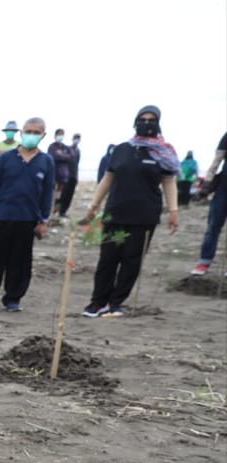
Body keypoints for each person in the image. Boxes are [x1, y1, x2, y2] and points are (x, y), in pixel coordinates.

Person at [80, 106, 179, 318]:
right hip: (115, 213)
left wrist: (173, 211)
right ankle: (98, 302)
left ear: (158, 123)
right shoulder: (122, 149)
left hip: (144, 217)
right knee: (108, 259)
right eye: (143, 119)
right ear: (135, 122)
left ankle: (116, 302)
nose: (147, 123)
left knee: (131, 261)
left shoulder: (164, 152)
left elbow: (169, 182)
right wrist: (93, 207)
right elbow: (108, 179)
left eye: (152, 120)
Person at [0, 117, 55, 313]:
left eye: (37, 132)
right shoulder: (6, 158)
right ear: (22, 132)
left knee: (20, 262)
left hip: (28, 219)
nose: (32, 135)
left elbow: (47, 193)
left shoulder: (46, 162)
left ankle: (13, 298)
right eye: (29, 131)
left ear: (43, 135)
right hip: (1, 217)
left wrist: (44, 220)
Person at [190, 132, 227, 276]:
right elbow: (216, 161)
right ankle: (204, 262)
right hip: (223, 188)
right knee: (213, 225)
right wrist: (206, 184)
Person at [47, 128, 77, 220]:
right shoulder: (52, 147)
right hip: (54, 176)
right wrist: (63, 156)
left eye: (62, 134)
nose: (60, 136)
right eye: (59, 134)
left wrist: (62, 155)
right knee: (52, 196)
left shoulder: (65, 147)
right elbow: (54, 157)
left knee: (61, 197)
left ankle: (57, 213)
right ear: (55, 135)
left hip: (64, 177)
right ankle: (50, 214)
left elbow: (72, 156)